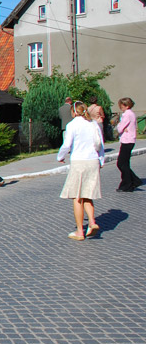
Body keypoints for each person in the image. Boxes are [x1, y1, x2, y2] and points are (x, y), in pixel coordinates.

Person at [57, 101, 104, 240]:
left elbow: (67, 144)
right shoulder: (93, 123)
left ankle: (79, 231)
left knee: (77, 196)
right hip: (93, 161)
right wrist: (101, 160)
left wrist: (60, 156)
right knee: (87, 194)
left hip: (79, 162)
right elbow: (100, 143)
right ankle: (92, 222)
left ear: (73, 112)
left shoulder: (72, 125)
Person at [112, 97, 140, 193]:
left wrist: (120, 127)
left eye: (122, 106)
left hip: (127, 140)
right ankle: (134, 180)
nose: (120, 107)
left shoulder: (126, 114)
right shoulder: (131, 114)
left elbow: (119, 128)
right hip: (130, 140)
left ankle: (127, 184)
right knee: (124, 163)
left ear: (126, 106)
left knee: (121, 163)